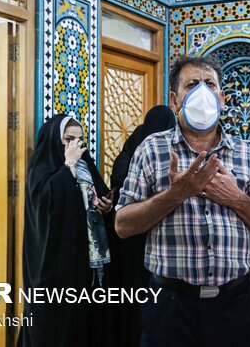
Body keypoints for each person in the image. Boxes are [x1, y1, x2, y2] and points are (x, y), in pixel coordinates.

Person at [114, 55, 250, 346]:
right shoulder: (151, 150)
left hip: (232, 305)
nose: (202, 92)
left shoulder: (245, 153)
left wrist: (236, 199)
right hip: (170, 305)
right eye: (192, 84)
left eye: (210, 84)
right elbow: (122, 226)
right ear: (175, 99)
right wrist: (176, 194)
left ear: (223, 98)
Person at [18, 115, 113, 347]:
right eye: (68, 139)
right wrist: (68, 165)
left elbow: (100, 195)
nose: (75, 146)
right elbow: (46, 203)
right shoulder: (43, 168)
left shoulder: (85, 165)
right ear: (54, 139)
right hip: (56, 261)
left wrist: (106, 206)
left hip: (87, 260)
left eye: (79, 141)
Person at [107, 105, 176, 347]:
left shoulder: (134, 144)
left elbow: (118, 182)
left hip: (127, 238)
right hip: (155, 240)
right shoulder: (167, 150)